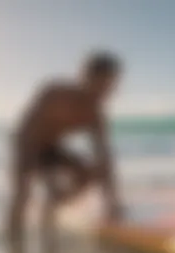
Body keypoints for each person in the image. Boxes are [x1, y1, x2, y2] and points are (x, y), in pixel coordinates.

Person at [8, 52, 122, 241]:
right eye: (101, 83)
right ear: (85, 77)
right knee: (22, 194)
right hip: (26, 143)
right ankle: (13, 245)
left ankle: (53, 206)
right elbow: (27, 127)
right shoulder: (55, 94)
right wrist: (34, 167)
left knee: (94, 173)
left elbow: (105, 157)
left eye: (110, 85)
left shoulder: (96, 115)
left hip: (52, 148)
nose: (105, 91)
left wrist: (112, 204)